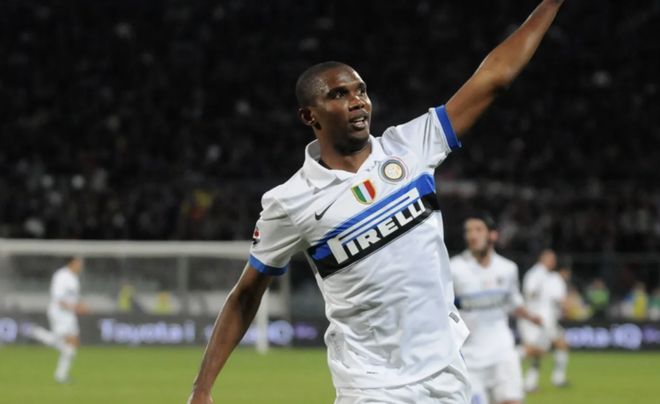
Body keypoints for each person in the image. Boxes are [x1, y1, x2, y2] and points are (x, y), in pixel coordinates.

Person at [187, 1, 566, 403]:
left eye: (361, 91)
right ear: (310, 116)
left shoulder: (411, 146)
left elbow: (493, 78)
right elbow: (246, 294)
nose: (357, 101)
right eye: (339, 94)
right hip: (369, 385)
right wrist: (202, 389)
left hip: (446, 375)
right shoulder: (290, 201)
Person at [450, 213, 542, 404]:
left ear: (493, 235)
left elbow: (513, 302)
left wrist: (531, 317)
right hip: (470, 357)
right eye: (468, 231)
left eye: (478, 230)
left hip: (503, 353)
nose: (472, 235)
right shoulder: (454, 269)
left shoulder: (508, 269)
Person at [27, 256, 88, 383]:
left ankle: (61, 375)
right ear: (71, 263)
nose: (80, 266)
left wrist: (81, 305)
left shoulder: (74, 278)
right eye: (78, 263)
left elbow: (74, 296)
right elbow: (58, 299)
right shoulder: (61, 276)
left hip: (69, 314)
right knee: (64, 342)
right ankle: (36, 332)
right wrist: (76, 307)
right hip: (59, 313)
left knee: (72, 344)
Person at [518, 250, 570, 391]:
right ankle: (512, 357)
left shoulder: (550, 276)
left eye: (554, 259)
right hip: (535, 320)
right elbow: (529, 293)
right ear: (542, 259)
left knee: (558, 345)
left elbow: (557, 298)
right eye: (550, 259)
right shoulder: (535, 274)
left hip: (547, 320)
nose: (553, 262)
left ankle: (532, 383)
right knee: (535, 350)